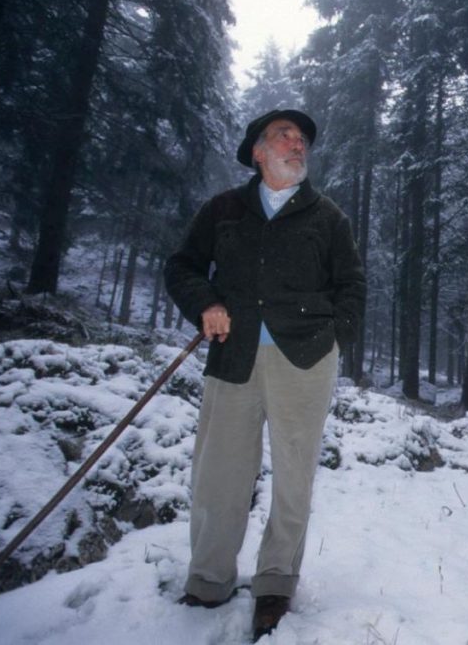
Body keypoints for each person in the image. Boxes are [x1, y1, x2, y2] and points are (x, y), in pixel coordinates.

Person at [164, 109, 365, 640]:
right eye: (284, 136)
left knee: (294, 476)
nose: (296, 145)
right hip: (233, 354)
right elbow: (182, 266)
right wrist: (205, 303)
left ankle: (276, 583)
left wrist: (333, 337)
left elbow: (352, 285)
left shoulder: (328, 218)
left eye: (302, 140)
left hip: (305, 359)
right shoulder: (224, 210)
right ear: (257, 151)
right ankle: (208, 580)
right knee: (219, 473)